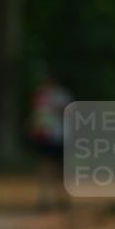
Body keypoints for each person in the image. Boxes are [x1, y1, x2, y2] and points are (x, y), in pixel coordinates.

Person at [26, 74, 72, 210]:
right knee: (44, 167)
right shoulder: (41, 96)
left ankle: (63, 199)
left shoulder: (62, 95)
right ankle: (44, 199)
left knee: (61, 169)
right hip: (44, 136)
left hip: (59, 136)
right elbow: (36, 115)